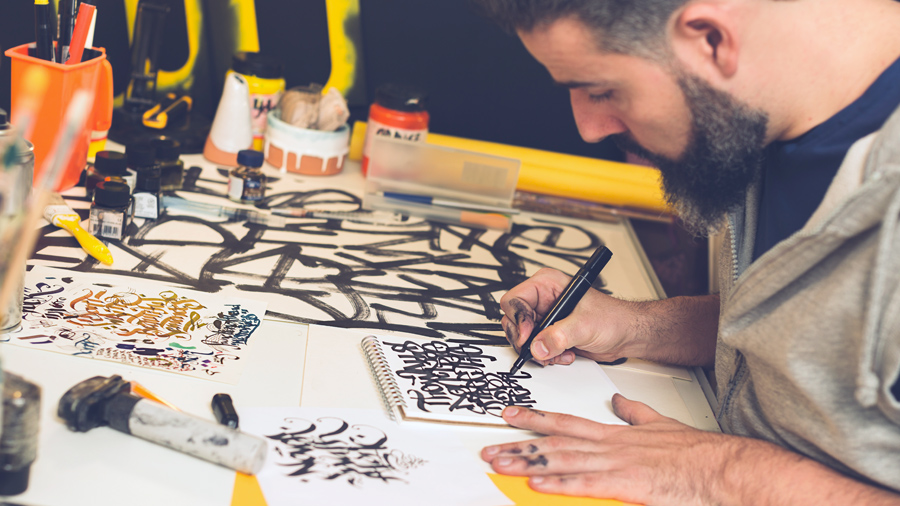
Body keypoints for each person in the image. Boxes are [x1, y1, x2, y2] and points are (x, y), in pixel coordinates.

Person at [471, 0, 900, 504]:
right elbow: (822, 332)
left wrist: (718, 472)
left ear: (711, 39)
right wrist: (635, 326)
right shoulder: (762, 115)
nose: (589, 128)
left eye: (602, 90)